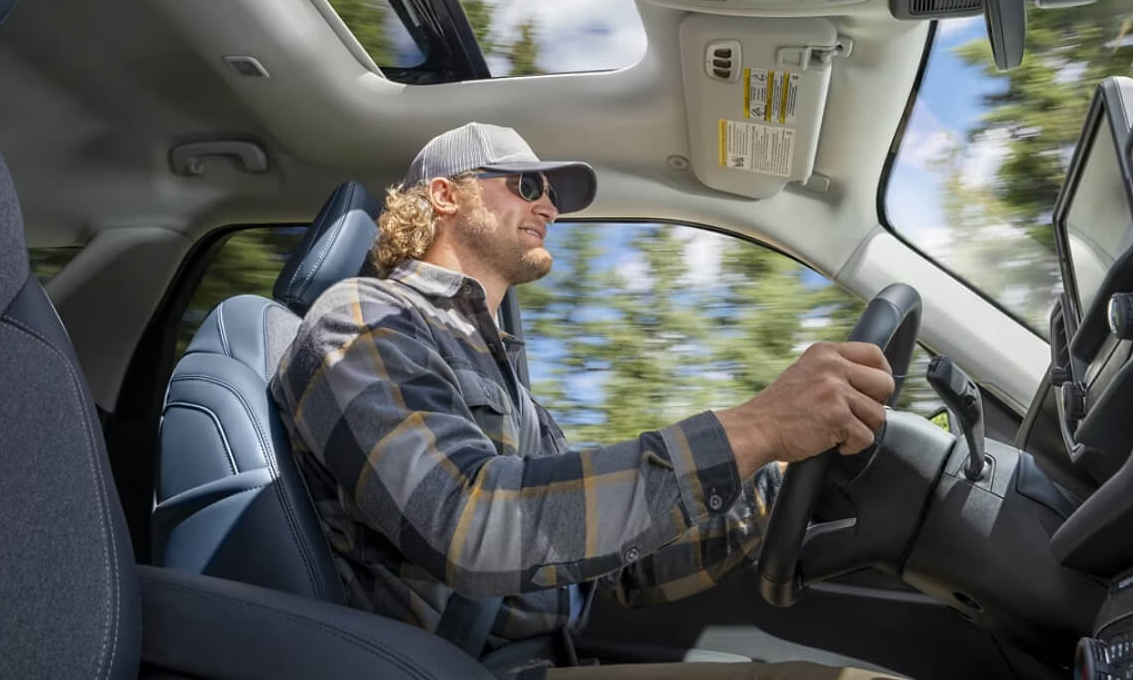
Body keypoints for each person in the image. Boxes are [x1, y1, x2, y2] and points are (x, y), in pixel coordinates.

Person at [273, 123, 896, 678]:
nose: (550, 204)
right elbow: (468, 524)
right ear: (444, 195)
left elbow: (621, 569)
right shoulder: (363, 320)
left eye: (554, 195)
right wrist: (757, 427)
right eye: (527, 184)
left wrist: (775, 483)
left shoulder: (509, 384)